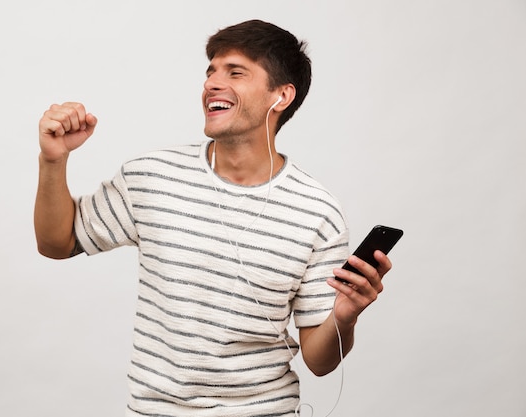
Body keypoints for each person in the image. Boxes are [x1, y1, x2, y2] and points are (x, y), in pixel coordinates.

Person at [34, 19, 392, 417]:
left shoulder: (317, 212)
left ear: (281, 96)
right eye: (211, 71)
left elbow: (320, 361)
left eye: (235, 72)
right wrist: (54, 160)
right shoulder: (152, 176)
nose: (212, 84)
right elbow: (57, 243)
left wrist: (345, 317)